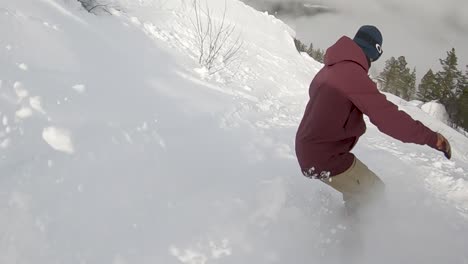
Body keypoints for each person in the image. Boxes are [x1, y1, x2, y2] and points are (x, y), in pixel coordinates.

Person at [295, 25, 452, 213]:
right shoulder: (352, 75)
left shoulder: (331, 68)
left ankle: (347, 226)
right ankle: (359, 238)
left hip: (313, 148)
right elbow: (390, 119)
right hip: (324, 156)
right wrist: (433, 138)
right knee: (375, 194)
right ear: (373, 52)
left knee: (359, 194)